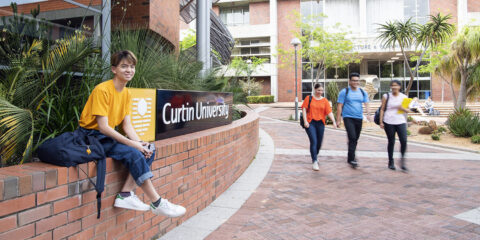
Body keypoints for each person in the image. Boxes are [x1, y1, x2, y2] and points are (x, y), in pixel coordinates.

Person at [78, 50, 186, 217]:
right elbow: (103, 127)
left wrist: (140, 143)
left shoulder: (127, 93)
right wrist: (133, 144)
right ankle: (157, 202)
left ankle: (126, 194)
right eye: (124, 66)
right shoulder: (102, 90)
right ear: (114, 69)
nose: (129, 70)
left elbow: (127, 126)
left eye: (132, 66)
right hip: (91, 136)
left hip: (106, 137)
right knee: (133, 153)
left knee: (148, 149)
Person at [336, 72, 372, 168]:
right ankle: (352, 159)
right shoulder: (344, 92)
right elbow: (339, 106)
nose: (356, 82)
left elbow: (366, 104)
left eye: (357, 81)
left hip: (358, 118)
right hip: (348, 117)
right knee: (352, 137)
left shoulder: (362, 92)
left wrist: (369, 114)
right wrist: (338, 119)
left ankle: (350, 156)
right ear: (349, 81)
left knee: (355, 138)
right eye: (353, 80)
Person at [302, 83, 337, 171]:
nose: (320, 92)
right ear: (315, 89)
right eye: (318, 90)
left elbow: (329, 112)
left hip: (320, 123)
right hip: (310, 123)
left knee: (319, 143)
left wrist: (333, 121)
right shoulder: (308, 98)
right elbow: (304, 109)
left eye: (321, 90)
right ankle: (315, 161)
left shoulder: (325, 101)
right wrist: (305, 121)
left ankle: (315, 155)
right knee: (314, 141)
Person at [379, 80, 410, 171]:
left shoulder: (404, 97)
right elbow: (382, 109)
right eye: (392, 85)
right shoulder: (386, 96)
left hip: (400, 121)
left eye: (396, 85)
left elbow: (407, 110)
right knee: (391, 141)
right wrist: (381, 121)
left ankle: (402, 161)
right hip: (389, 121)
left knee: (404, 141)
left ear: (399, 87)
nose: (394, 87)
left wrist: (402, 108)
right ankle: (391, 161)